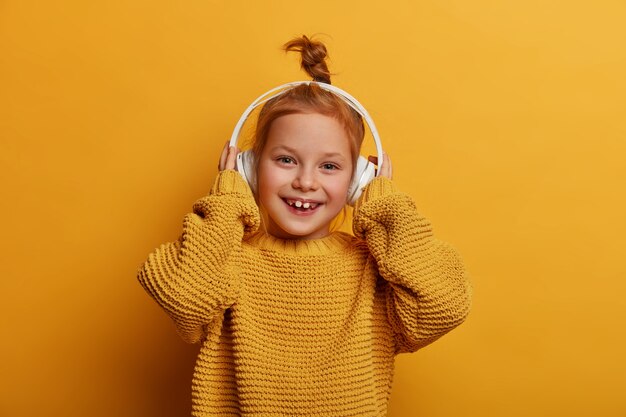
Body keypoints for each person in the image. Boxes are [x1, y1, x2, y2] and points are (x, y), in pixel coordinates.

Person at [137, 35, 472, 417]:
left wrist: (386, 208)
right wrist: (228, 201)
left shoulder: (374, 269)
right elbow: (184, 301)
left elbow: (444, 305)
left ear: (359, 180)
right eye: (285, 160)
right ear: (249, 167)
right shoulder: (223, 258)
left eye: (329, 166)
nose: (306, 182)